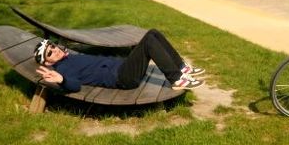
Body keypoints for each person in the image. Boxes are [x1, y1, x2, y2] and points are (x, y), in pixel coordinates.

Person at [34, 29, 204, 91]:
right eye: (49, 53)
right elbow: (74, 85)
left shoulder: (70, 56)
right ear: (47, 62)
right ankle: (175, 79)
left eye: (52, 47)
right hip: (123, 78)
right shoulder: (63, 69)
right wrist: (61, 80)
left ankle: (181, 68)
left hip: (123, 68)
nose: (54, 51)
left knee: (153, 33)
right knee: (149, 41)